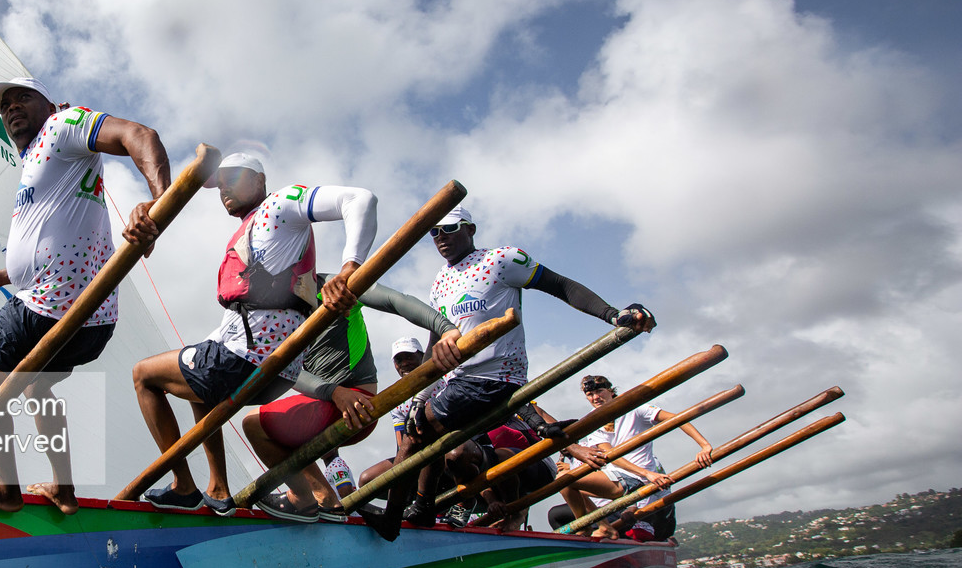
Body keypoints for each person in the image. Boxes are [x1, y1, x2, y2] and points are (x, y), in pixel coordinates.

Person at [0, 77, 169, 514]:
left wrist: (157, 205)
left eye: (23, 98)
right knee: (36, 388)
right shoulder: (39, 160)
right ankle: (64, 489)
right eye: (5, 106)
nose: (12, 108)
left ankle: (7, 490)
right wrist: (3, 277)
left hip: (52, 303)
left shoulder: (64, 124)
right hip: (90, 319)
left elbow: (141, 135)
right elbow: (56, 234)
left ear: (49, 104)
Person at [362, 203, 656, 540]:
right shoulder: (440, 282)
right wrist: (422, 394)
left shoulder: (502, 259)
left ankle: (393, 521)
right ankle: (423, 508)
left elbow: (560, 285)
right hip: (457, 382)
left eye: (450, 229)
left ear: (470, 229)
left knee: (416, 435)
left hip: (493, 378)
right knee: (423, 430)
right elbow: (434, 343)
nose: (441, 237)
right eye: (434, 232)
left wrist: (612, 314)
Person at [131, 154, 376, 512]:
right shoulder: (253, 228)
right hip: (274, 367)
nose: (224, 188)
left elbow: (360, 199)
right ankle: (217, 490)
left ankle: (184, 485)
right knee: (199, 387)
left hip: (248, 356)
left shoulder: (282, 203)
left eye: (233, 178)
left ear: (260, 180)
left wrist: (349, 268)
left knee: (143, 375)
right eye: (219, 183)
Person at [242, 283, 461, 521]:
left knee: (253, 423)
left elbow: (395, 299)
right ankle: (325, 499)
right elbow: (283, 367)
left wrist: (445, 328)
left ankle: (309, 497)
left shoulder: (336, 285)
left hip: (358, 402)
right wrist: (333, 391)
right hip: (329, 402)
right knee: (270, 427)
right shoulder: (280, 312)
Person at [556, 373, 714, 538]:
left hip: (640, 479)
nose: (596, 397)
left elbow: (677, 418)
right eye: (590, 394)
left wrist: (704, 446)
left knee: (567, 480)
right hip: (619, 478)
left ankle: (599, 526)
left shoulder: (634, 408)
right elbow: (610, 454)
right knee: (564, 481)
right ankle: (596, 526)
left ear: (611, 391)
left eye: (600, 391)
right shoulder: (593, 420)